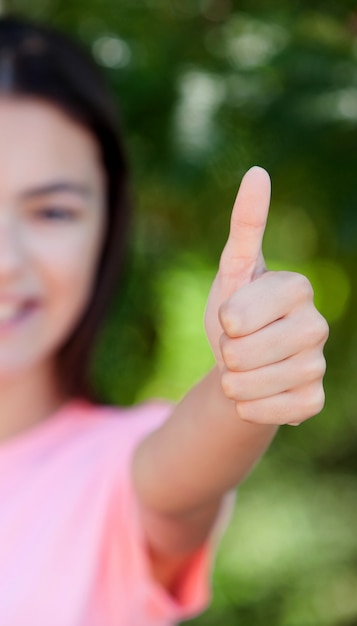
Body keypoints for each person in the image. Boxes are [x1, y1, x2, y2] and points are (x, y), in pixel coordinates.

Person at [0, 15, 328, 626]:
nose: (4, 260)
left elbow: (183, 473)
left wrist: (243, 381)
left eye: (52, 212)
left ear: (107, 229)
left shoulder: (112, 477)